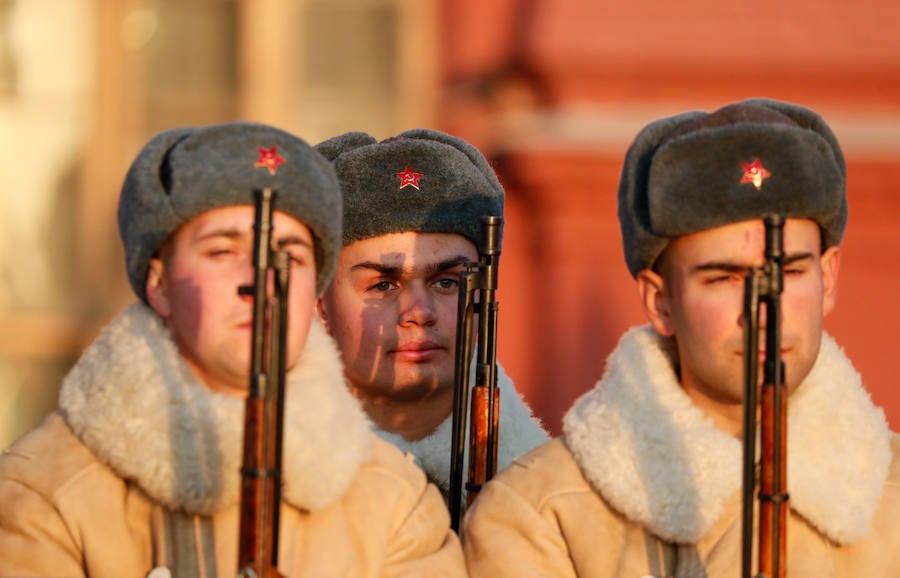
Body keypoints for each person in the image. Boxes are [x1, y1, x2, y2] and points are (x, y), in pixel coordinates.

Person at [0, 122, 466, 577]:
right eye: (223, 251)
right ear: (160, 283)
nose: (258, 281)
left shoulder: (394, 500)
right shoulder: (43, 489)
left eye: (288, 256)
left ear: (315, 294)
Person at [462, 99, 900, 576]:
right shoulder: (542, 512)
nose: (760, 312)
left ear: (829, 278)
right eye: (723, 278)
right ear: (660, 300)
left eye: (789, 271)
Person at [314, 129, 548, 499]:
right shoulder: (274, 484)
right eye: (383, 285)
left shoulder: (550, 495)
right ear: (320, 305)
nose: (418, 313)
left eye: (447, 283)